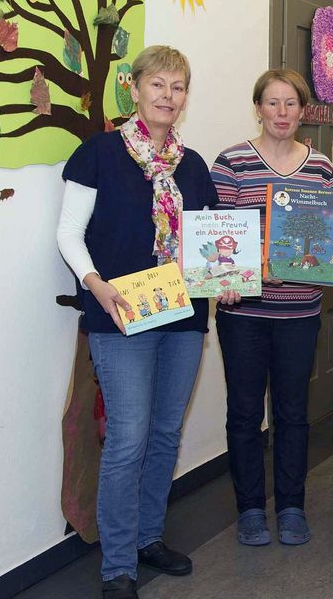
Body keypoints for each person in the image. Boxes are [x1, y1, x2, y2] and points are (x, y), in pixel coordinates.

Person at [57, 46, 223, 599]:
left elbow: (208, 246)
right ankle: (118, 564)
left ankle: (150, 536)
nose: (167, 97)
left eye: (178, 87)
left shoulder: (193, 166)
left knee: (164, 434)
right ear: (134, 88)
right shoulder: (98, 154)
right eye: (158, 85)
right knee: (127, 439)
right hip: (121, 315)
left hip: (183, 317)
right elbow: (68, 235)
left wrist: (228, 273)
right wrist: (95, 285)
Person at [210, 69, 333, 547]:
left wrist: (328, 245)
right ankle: (249, 510)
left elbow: (322, 239)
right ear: (258, 107)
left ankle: (290, 507)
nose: (282, 113)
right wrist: (234, 279)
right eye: (272, 103)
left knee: (293, 413)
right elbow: (215, 236)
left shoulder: (321, 167)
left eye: (291, 104)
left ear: (303, 110)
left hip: (300, 312)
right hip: (243, 314)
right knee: (244, 413)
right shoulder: (232, 164)